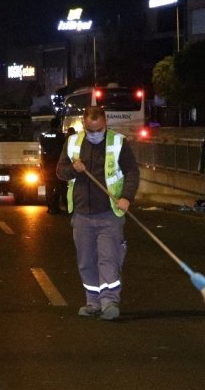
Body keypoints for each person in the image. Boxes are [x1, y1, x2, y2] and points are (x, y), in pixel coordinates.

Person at [56, 105, 139, 321]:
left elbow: (131, 171)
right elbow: (60, 171)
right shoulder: (73, 143)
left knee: (108, 258)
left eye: (99, 129)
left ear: (105, 125)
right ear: (84, 125)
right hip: (82, 214)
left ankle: (110, 301)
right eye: (91, 130)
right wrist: (74, 169)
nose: (95, 134)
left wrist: (126, 197)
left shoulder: (118, 142)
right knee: (86, 260)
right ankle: (92, 302)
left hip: (109, 212)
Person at [39, 114, 67, 214]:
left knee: (49, 187)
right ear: (59, 125)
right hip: (58, 164)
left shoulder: (43, 136)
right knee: (59, 186)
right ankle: (56, 206)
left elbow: (43, 147)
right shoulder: (61, 136)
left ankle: (50, 207)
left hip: (47, 165)